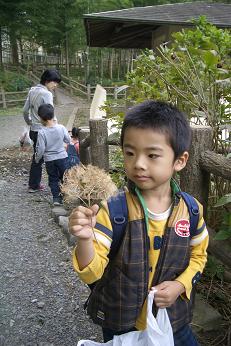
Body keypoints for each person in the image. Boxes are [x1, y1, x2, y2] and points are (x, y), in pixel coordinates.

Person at [69, 100, 209, 346]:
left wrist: (180, 284)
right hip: (121, 323)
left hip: (172, 320)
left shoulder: (192, 210)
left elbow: (199, 256)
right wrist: (84, 240)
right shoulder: (113, 210)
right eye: (130, 153)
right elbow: (92, 272)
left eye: (152, 155)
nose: (139, 163)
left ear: (180, 160)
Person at [23, 69, 61, 193]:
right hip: (44, 131)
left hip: (33, 130)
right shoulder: (47, 94)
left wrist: (29, 122)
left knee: (37, 156)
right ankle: (40, 185)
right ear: (47, 80)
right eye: (54, 82)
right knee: (49, 156)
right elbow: (51, 113)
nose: (56, 85)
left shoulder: (32, 90)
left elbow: (25, 110)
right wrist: (57, 128)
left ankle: (34, 184)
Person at [35, 103, 71, 206]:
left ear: (41, 118)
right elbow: (68, 140)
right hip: (62, 157)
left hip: (49, 160)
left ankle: (56, 199)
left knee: (53, 178)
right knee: (65, 177)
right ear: (53, 115)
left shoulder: (41, 132)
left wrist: (37, 159)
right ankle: (66, 196)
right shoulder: (61, 128)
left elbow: (41, 148)